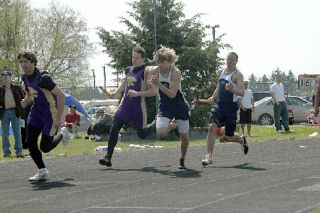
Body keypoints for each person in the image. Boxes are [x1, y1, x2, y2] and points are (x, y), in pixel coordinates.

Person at [99, 46, 157, 167]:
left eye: (136, 58)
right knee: (115, 128)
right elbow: (125, 83)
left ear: (143, 59)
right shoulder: (128, 70)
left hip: (138, 107)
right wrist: (115, 92)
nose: (134, 60)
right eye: (133, 57)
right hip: (125, 105)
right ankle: (108, 157)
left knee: (142, 134)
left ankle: (157, 123)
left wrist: (138, 93)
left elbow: (153, 92)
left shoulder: (145, 72)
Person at [18, 50, 70, 181]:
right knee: (30, 142)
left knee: (45, 147)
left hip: (50, 114)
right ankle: (42, 171)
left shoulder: (43, 79)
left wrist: (58, 118)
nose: (23, 64)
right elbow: (30, 96)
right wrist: (25, 101)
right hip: (36, 113)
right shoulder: (25, 77)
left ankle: (63, 134)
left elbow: (61, 95)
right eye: (21, 62)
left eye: (26, 61)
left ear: (33, 63)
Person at [202, 52, 248, 166]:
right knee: (212, 127)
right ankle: (209, 156)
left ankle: (242, 140)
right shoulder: (221, 72)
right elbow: (219, 86)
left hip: (231, 109)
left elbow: (242, 92)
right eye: (228, 59)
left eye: (232, 60)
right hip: (219, 106)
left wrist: (233, 89)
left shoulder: (238, 75)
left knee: (229, 136)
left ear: (236, 61)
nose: (229, 61)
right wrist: (213, 97)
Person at [148, 46, 190, 169]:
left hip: (179, 105)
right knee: (160, 133)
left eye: (162, 62)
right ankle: (173, 125)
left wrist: (158, 84)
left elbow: (172, 94)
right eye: (158, 62)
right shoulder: (154, 71)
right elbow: (146, 72)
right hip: (165, 106)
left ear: (169, 61)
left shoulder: (176, 72)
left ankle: (182, 159)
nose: (159, 64)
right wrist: (148, 83)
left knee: (184, 135)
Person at [0, 71, 24, 158]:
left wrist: (21, 111)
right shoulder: (0, 89)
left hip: (15, 112)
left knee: (17, 133)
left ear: (10, 77)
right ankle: (6, 152)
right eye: (3, 76)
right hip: (4, 113)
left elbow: (23, 99)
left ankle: (19, 152)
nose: (5, 77)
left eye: (6, 76)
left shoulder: (17, 87)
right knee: (5, 134)